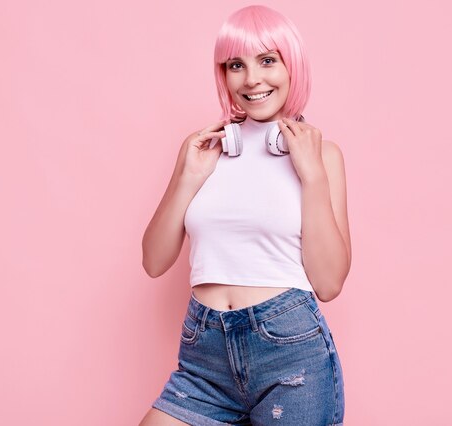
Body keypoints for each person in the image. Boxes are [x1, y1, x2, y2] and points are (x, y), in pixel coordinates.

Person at [139, 5, 351, 425]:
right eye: (237, 65)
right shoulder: (206, 150)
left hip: (291, 356)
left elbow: (328, 284)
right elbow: (153, 261)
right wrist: (187, 176)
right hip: (204, 356)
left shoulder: (322, 156)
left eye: (267, 61)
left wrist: (312, 176)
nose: (252, 79)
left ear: (293, 66)